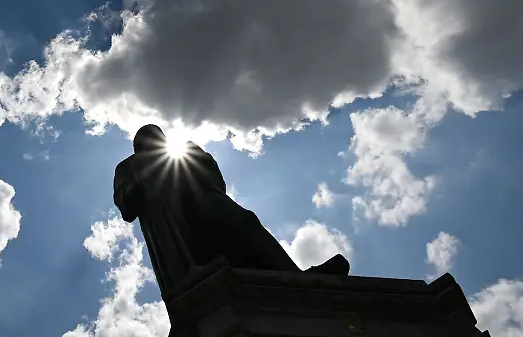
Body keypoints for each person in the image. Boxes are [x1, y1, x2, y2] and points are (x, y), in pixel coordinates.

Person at [113, 124, 349, 296]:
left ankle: (294, 277)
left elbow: (213, 175)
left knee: (245, 221)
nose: (155, 139)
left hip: (204, 198)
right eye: (149, 137)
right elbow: (125, 203)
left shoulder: (181, 149)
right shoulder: (128, 166)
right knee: (202, 245)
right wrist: (136, 190)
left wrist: (196, 164)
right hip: (171, 217)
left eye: (157, 134)